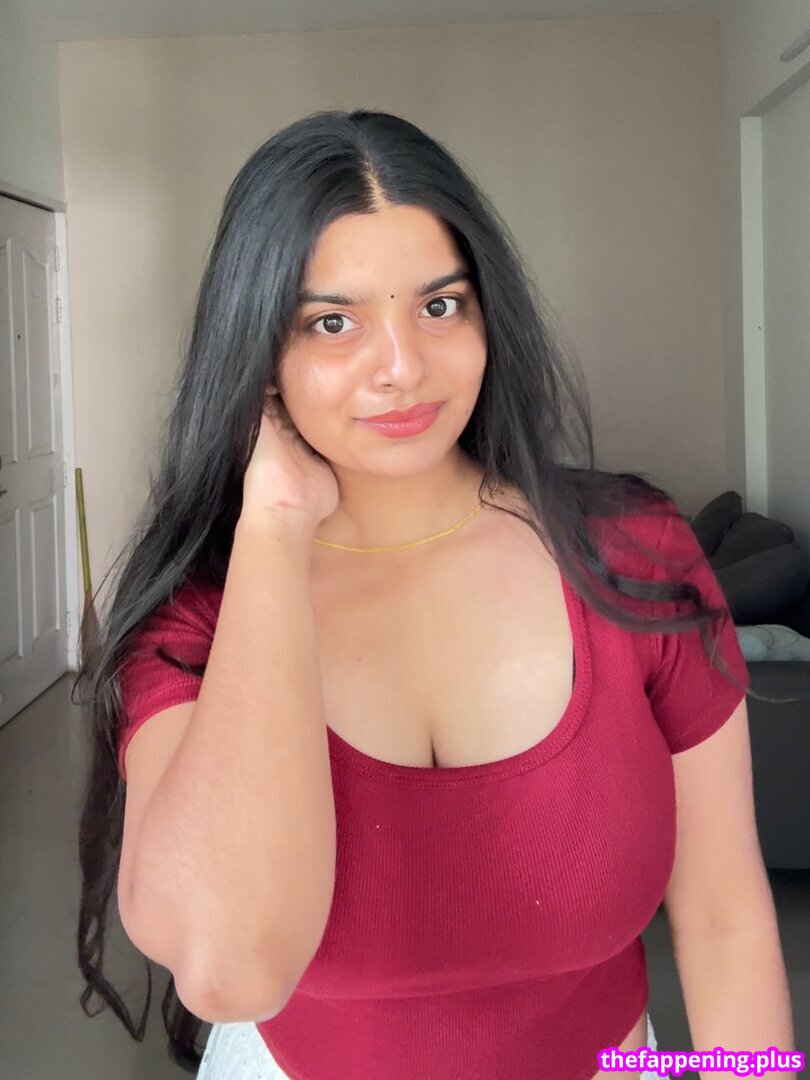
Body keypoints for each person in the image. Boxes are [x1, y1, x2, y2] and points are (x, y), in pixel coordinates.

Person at [75, 109, 795, 1080]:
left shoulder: (636, 554)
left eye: (440, 306)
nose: (403, 367)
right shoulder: (199, 616)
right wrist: (275, 523)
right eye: (332, 322)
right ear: (258, 352)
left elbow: (723, 918)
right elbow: (227, 968)